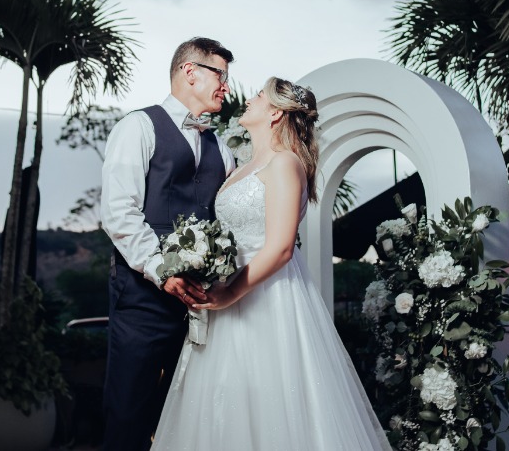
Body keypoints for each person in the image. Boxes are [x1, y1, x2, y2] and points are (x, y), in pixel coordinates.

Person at [152, 77, 392, 450]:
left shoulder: (285, 163)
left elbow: (281, 248)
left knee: (271, 399)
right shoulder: (241, 167)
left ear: (276, 113)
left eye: (260, 95)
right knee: (224, 401)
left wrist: (229, 293)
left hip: (266, 298)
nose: (250, 99)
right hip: (228, 295)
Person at [99, 36, 236, 451]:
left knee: (190, 418)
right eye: (220, 74)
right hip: (142, 299)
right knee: (128, 414)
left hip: (202, 306)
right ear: (190, 71)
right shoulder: (138, 127)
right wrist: (162, 270)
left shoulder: (221, 148)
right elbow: (119, 212)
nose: (226, 86)